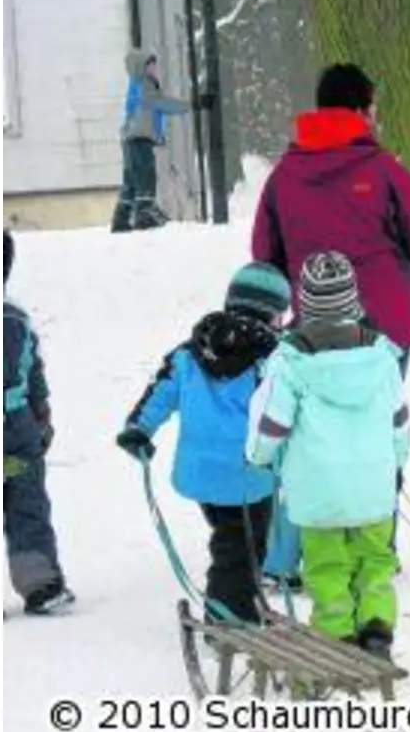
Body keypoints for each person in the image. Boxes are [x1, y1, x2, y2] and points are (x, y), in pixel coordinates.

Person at [246, 252, 410, 660]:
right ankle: (376, 626)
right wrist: (396, 463)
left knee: (327, 567)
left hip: (317, 492)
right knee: (375, 561)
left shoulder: (290, 361)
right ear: (353, 301)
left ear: (305, 304)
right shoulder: (382, 356)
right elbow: (399, 421)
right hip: (373, 489)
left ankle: (337, 635)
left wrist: (258, 456)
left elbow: (272, 425)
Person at [115, 262, 293, 624]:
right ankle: (227, 617)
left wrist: (138, 429)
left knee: (231, 537)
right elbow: (286, 407)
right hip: (249, 473)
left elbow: (161, 392)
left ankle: (243, 602)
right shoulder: (274, 359)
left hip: (201, 475)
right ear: (273, 314)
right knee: (241, 548)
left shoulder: (191, 351)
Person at [251, 62, 410, 373]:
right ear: (360, 112)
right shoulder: (383, 169)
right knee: (379, 417)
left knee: (324, 419)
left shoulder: (283, 176)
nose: (375, 119)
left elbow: (264, 256)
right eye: (372, 110)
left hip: (314, 329)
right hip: (386, 326)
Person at [4, 230, 74, 616]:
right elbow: (34, 373)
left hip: (15, 429)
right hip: (16, 430)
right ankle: (40, 583)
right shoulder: (14, 320)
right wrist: (41, 416)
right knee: (26, 504)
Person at [113, 49, 193, 233]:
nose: (155, 68)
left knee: (132, 179)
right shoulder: (145, 84)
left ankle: (122, 217)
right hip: (139, 138)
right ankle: (144, 214)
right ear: (142, 67)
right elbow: (160, 103)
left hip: (131, 138)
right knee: (146, 175)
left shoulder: (136, 84)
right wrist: (189, 105)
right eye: (151, 65)